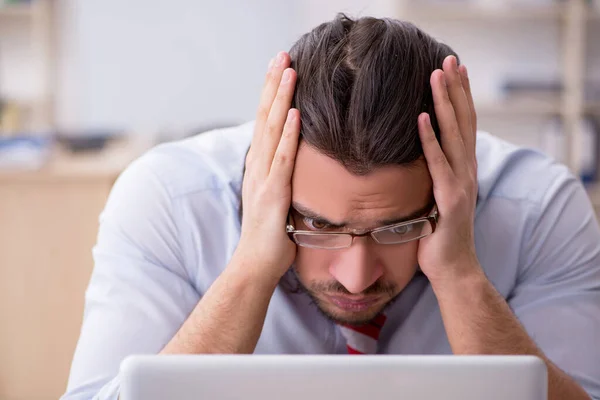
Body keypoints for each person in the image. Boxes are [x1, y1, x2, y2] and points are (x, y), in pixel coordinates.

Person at [61, 14, 599, 400]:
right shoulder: (169, 201)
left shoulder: (538, 209)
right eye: (318, 224)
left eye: (399, 226)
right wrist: (250, 268)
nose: (357, 278)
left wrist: (459, 275)